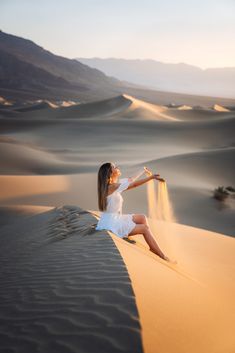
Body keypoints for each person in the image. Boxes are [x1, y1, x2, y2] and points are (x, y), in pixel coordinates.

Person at [95, 162, 171, 262]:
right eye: (114, 167)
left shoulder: (113, 186)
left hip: (114, 219)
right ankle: (160, 254)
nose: (117, 167)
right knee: (144, 228)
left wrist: (142, 170)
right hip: (112, 224)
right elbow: (133, 185)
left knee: (142, 218)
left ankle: (151, 244)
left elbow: (131, 180)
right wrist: (151, 178)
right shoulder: (112, 187)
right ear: (110, 173)